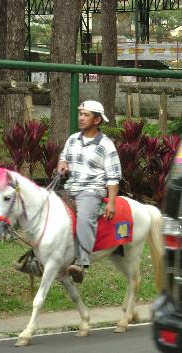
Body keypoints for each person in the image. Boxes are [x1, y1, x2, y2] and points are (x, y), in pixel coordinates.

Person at [57, 100, 122, 283]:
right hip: (70, 188)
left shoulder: (107, 146)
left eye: (86, 115)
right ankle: (37, 257)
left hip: (91, 192)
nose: (81, 118)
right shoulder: (72, 139)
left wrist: (110, 202)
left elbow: (113, 177)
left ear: (97, 120)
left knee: (85, 218)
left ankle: (81, 263)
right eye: (80, 114)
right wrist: (62, 164)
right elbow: (63, 157)